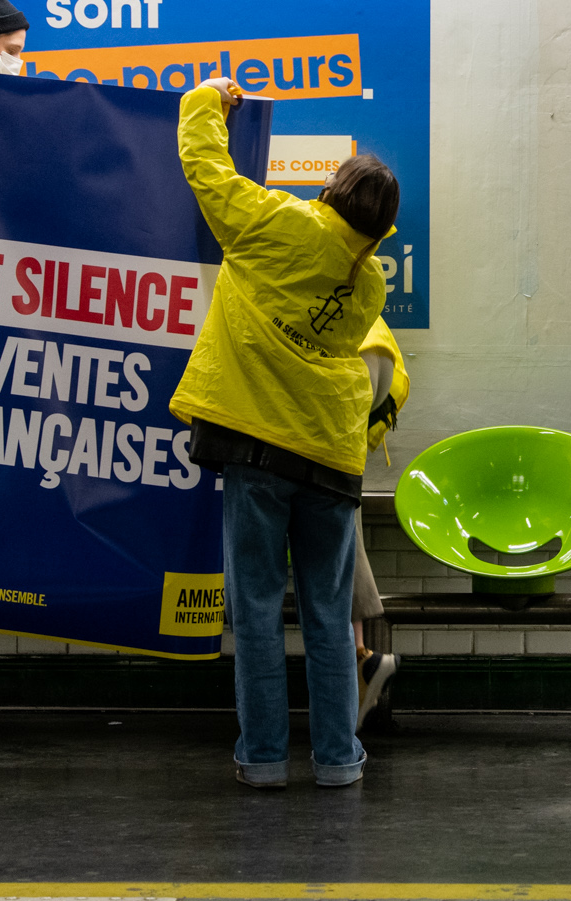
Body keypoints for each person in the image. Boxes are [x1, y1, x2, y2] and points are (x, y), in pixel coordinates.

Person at [169, 75, 399, 790]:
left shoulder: (279, 222)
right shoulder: (370, 283)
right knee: (329, 615)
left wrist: (206, 101)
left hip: (258, 448)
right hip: (330, 455)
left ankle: (265, 759)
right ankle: (338, 760)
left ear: (331, 191)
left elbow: (207, 171)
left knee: (258, 610)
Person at [353, 317, 409, 728]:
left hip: (296, 451)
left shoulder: (299, 307)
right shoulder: (370, 325)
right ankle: (361, 657)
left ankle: (358, 663)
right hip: (342, 456)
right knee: (340, 542)